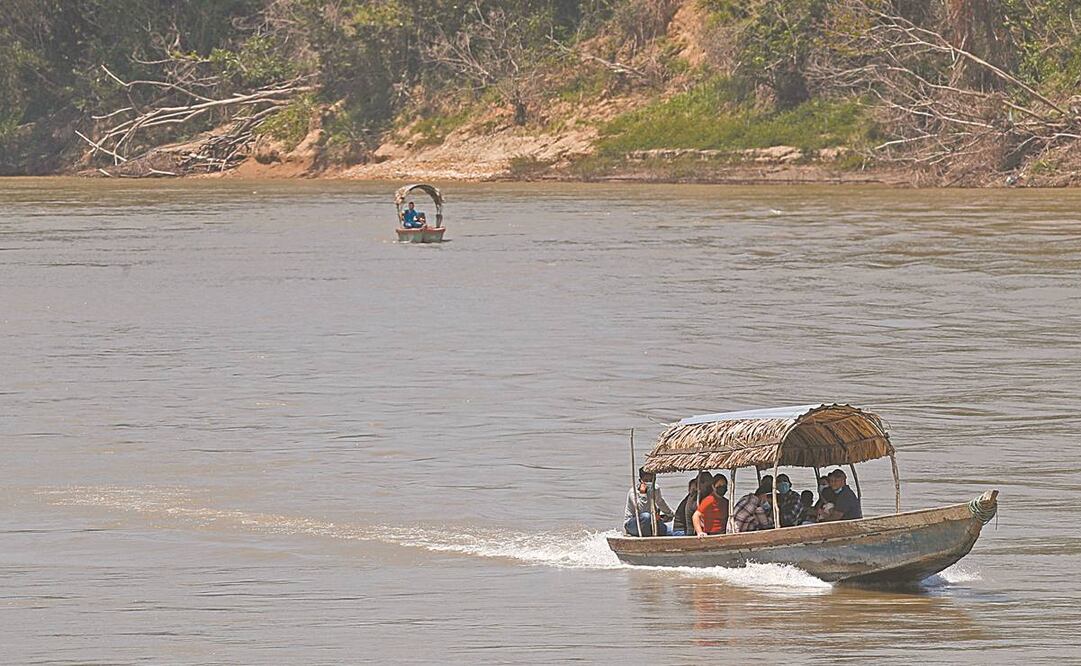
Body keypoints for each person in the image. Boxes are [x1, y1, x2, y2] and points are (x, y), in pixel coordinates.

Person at [624, 468, 674, 536]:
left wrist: (671, 514)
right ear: (640, 480)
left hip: (652, 522)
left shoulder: (655, 489)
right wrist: (643, 494)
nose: (648, 482)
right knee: (646, 516)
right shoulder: (633, 492)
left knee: (673, 530)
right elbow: (641, 510)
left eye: (651, 480)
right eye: (646, 480)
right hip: (634, 523)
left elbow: (660, 503)